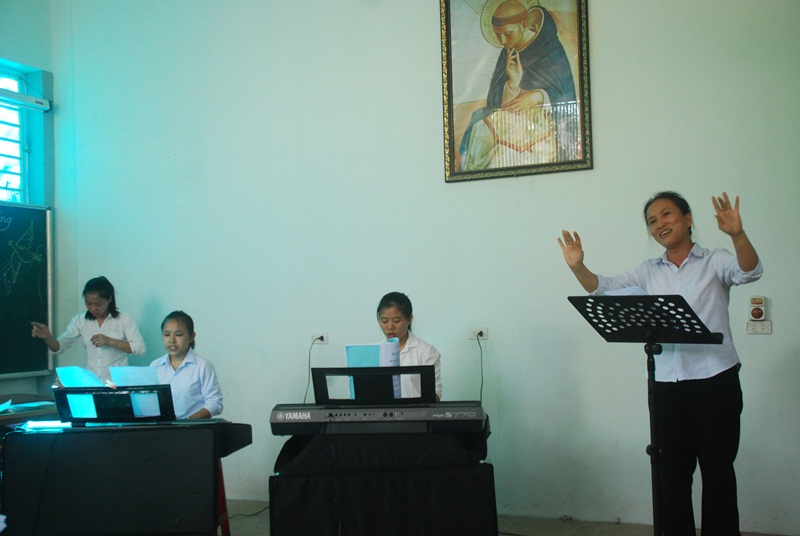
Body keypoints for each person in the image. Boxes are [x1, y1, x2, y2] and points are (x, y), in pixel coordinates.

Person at [558, 191, 762, 534]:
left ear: (687, 218)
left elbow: (750, 271)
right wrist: (578, 267)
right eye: (652, 221)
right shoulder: (647, 271)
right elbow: (604, 289)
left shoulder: (715, 260)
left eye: (666, 215)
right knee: (671, 475)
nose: (659, 224)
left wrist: (737, 234)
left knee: (718, 472)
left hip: (715, 380)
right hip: (666, 384)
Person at [459, 0, 579, 170]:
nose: (503, 41)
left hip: (545, 122)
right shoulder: (507, 52)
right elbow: (494, 98)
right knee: (478, 128)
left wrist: (538, 97)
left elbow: (566, 96)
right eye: (498, 35)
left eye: (507, 34)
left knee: (504, 155)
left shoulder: (550, 49)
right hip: (511, 114)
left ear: (523, 25)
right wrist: (513, 84)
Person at [31, 276, 146, 384]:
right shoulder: (80, 320)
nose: (93, 308)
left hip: (117, 383)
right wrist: (48, 337)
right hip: (92, 383)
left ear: (109, 299)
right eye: (88, 303)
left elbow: (141, 349)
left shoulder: (124, 319)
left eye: (98, 304)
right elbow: (59, 347)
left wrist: (111, 341)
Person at [150, 310, 222, 419]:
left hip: (193, 427)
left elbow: (215, 403)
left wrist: (189, 421)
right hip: (162, 427)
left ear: (191, 337)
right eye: (167, 334)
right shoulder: (155, 366)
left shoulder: (202, 366)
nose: (172, 340)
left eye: (178, 335)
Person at [377, 292, 442, 401]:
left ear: (409, 319)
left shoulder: (426, 351)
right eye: (384, 321)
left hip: (418, 411)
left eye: (396, 321)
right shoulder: (376, 351)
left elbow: (436, 395)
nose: (390, 326)